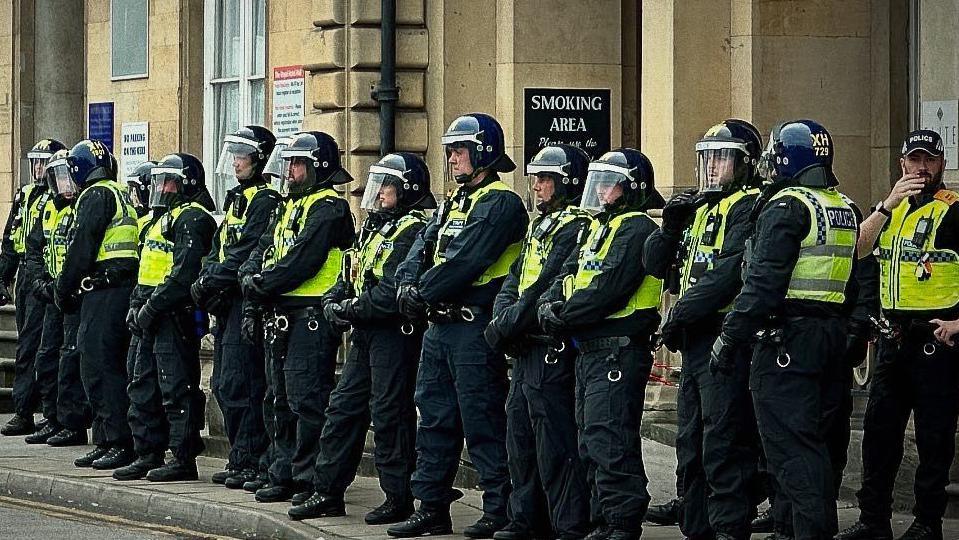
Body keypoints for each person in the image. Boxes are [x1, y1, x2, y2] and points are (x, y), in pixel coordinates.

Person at [711, 120, 858, 540]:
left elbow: (762, 284)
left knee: (791, 449)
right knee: (816, 443)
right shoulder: (843, 205)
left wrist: (730, 336)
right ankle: (791, 529)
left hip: (786, 342)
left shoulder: (787, 206)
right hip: (829, 337)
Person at [388, 113, 528, 539]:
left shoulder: (500, 202)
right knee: (434, 417)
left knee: (482, 419)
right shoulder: (455, 201)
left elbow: (467, 261)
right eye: (449, 150)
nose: (451, 158)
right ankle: (430, 506)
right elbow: (421, 246)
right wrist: (407, 284)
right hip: (439, 328)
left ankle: (499, 507)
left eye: (459, 150)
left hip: (473, 327)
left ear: (483, 152)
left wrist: (421, 292)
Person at [289, 152, 436, 523]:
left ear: (407, 189)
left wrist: (351, 308)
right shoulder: (374, 226)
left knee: (390, 414)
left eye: (387, 185)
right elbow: (350, 270)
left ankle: (396, 496)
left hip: (393, 333)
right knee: (343, 409)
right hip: (365, 331)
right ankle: (327, 491)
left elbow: (390, 291)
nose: (379, 193)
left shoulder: (413, 228)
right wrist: (333, 300)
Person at [643, 120, 765, 540]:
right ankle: (696, 526)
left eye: (723, 158)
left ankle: (729, 527)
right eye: (708, 158)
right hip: (694, 340)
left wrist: (677, 317)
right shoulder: (701, 208)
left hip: (724, 334)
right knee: (690, 441)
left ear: (746, 164)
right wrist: (671, 227)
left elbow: (727, 275)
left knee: (723, 440)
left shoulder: (749, 205)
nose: (712, 167)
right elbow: (657, 267)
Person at [835, 129, 959, 540]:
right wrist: (887, 205)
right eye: (914, 160)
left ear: (942, 163)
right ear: (901, 164)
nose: (922, 168)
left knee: (933, 439)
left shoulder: (954, 211)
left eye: (930, 160)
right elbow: (856, 248)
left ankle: (928, 524)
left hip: (936, 343)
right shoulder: (894, 210)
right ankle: (874, 521)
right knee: (879, 436)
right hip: (893, 341)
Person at [536, 148, 664, 540]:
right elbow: (567, 273)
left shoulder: (637, 227)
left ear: (631, 189)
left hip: (618, 348)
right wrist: (549, 304)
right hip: (589, 349)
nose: (601, 190)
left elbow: (608, 289)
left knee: (610, 437)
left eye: (609, 183)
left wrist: (562, 314)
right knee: (590, 438)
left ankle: (622, 521)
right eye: (599, 182)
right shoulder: (597, 227)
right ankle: (602, 518)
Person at [484, 144, 593, 540]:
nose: (538, 186)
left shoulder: (576, 225)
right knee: (519, 437)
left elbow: (546, 285)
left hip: (548, 347)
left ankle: (566, 523)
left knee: (554, 441)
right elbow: (516, 277)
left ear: (569, 182)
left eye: (546, 179)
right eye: (535, 178)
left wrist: (504, 325)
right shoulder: (539, 224)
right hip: (524, 345)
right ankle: (525, 518)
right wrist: (502, 316)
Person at [241, 131, 355, 504]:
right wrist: (251, 275)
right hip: (281, 312)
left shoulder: (329, 207)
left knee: (307, 399)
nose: (289, 170)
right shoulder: (288, 206)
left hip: (311, 315)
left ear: (317, 167)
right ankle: (283, 471)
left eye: (297, 163)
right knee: (279, 398)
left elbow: (303, 260)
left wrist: (261, 284)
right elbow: (265, 247)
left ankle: (308, 478)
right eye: (288, 163)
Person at [116, 153, 217, 481]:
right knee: (142, 384)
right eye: (159, 181)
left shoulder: (193, 218)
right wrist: (136, 304)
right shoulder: (162, 218)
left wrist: (150, 308)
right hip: (149, 310)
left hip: (173, 314)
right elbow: (145, 268)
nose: (161, 187)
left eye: (168, 181)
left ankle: (183, 458)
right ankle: (148, 452)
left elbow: (183, 273)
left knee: (177, 387)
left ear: (185, 183)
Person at [193, 126, 279, 488]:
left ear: (260, 158)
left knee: (242, 384)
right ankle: (240, 456)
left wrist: (212, 280)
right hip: (227, 303)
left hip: (245, 302)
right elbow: (220, 247)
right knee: (226, 386)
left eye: (243, 155)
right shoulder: (236, 199)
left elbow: (246, 253)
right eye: (234, 154)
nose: (236, 161)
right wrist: (206, 277)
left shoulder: (266, 200)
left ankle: (253, 459)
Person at [50, 139, 140, 470]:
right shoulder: (117, 192)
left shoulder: (94, 195)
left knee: (99, 367)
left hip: (104, 292)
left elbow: (80, 248)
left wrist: (63, 289)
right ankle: (106, 439)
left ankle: (116, 442)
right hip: (116, 290)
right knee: (105, 366)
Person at [21, 148, 93, 448]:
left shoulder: (84, 205)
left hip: (75, 295)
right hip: (52, 294)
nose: (63, 185)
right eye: (57, 178)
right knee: (46, 357)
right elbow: (33, 248)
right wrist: (41, 283)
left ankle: (71, 422)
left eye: (66, 177)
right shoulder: (49, 208)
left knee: (71, 359)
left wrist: (65, 287)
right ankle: (51, 417)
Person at [0, 138, 67, 436]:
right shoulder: (24, 194)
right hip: (26, 274)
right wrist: (3, 276)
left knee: (44, 346)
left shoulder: (58, 198)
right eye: (35, 162)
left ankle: (45, 410)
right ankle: (23, 409)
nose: (38, 168)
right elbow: (11, 237)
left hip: (46, 276)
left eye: (43, 163)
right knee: (27, 346)